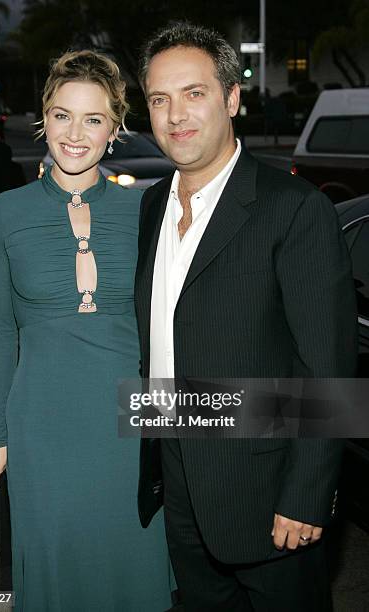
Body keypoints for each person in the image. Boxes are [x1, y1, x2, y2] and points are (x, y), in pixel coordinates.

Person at [135, 22, 357, 612]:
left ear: (233, 98)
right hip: (177, 472)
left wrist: (309, 495)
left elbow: (328, 367)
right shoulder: (151, 205)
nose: (175, 114)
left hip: (266, 487)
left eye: (194, 92)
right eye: (160, 99)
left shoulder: (295, 209)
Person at [0, 50, 172, 612]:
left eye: (93, 119)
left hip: (129, 419)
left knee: (129, 563)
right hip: (42, 418)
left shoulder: (146, 211)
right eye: (63, 115)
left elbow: (166, 321)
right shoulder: (4, 212)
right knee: (54, 564)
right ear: (43, 117)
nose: (75, 133)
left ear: (115, 128)